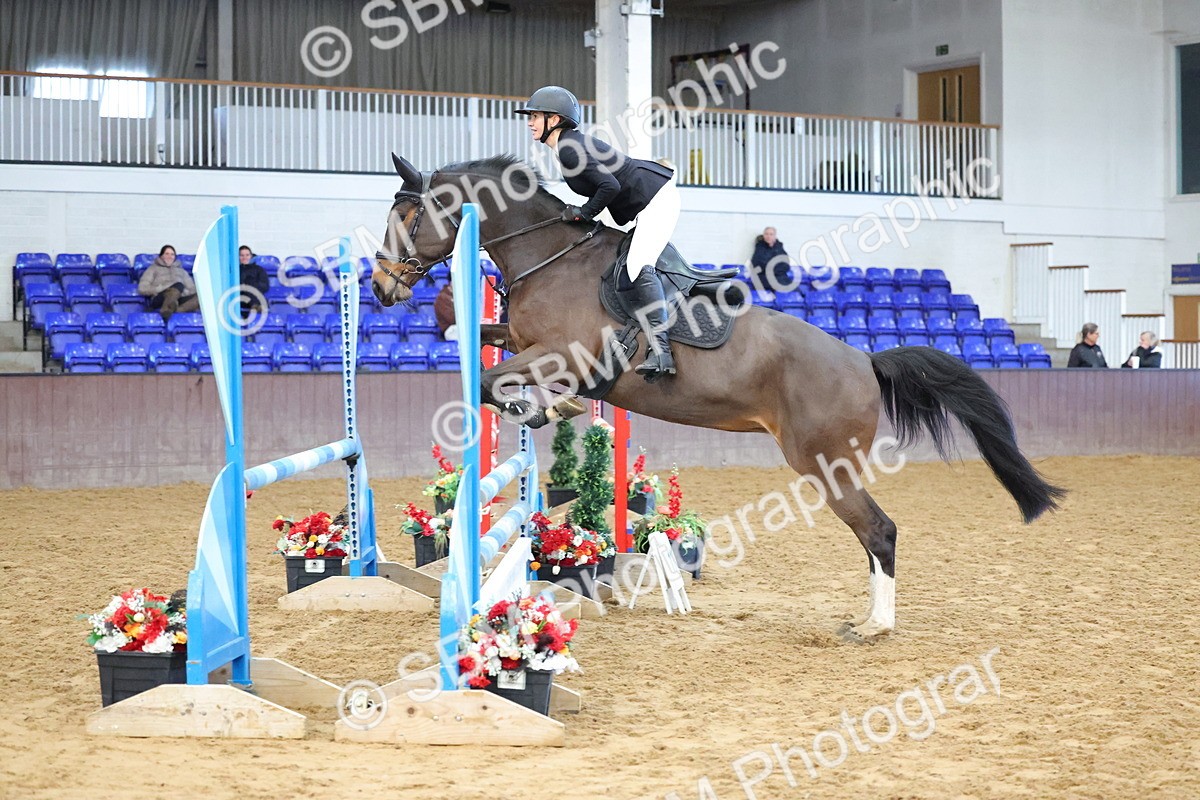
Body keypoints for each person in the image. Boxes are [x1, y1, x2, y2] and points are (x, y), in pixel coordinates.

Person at [516, 85, 678, 382]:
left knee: (637, 266)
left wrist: (584, 212)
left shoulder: (568, 148)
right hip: (646, 201)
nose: (529, 122)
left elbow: (610, 187)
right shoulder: (567, 145)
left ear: (555, 120)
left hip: (657, 200)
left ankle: (662, 351)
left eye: (535, 116)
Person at [137, 244, 199, 321]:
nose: (170, 256)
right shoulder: (153, 269)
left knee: (199, 297)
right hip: (160, 297)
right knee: (176, 287)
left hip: (179, 297)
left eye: (172, 254)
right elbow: (142, 288)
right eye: (167, 254)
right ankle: (165, 311)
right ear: (161, 256)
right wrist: (163, 288)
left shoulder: (182, 271)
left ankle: (175, 311)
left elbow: (192, 289)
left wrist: (181, 292)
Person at [238, 246, 270, 320]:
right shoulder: (236, 270)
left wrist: (250, 286)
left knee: (251, 284)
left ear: (251, 256)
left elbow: (265, 286)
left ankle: (255, 306)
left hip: (255, 294)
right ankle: (256, 306)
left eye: (247, 255)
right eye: (242, 255)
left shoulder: (259, 270)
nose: (244, 257)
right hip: (241, 297)